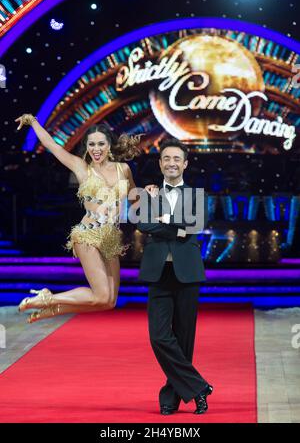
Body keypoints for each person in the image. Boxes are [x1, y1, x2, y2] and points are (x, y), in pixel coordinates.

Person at [14, 114, 156, 323]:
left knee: (108, 301)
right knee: (99, 294)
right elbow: (52, 145)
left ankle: (52, 309)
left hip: (111, 239)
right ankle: (49, 298)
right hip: (88, 234)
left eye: (100, 144)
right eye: (91, 144)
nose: (96, 149)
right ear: (87, 147)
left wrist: (148, 194)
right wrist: (34, 122)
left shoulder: (123, 169)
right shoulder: (82, 167)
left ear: (109, 145)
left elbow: (135, 199)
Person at [135, 137, 213, 415]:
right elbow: (142, 223)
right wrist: (177, 227)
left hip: (188, 273)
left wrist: (165, 220)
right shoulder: (148, 194)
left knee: (184, 338)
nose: (171, 163)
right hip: (159, 272)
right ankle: (199, 386)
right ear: (160, 163)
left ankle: (173, 397)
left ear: (185, 163)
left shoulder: (198, 195)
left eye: (176, 158)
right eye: (166, 158)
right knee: (158, 336)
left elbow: (195, 225)